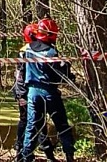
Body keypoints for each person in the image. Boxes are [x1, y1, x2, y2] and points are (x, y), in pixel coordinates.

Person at [22, 18, 76, 162]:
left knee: (31, 126)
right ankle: (69, 155)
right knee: (62, 124)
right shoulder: (51, 52)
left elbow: (22, 71)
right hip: (49, 92)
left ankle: (26, 157)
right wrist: (66, 68)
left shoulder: (27, 49)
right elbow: (57, 76)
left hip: (32, 93)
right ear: (51, 34)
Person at [13, 23, 56, 162]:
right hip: (25, 92)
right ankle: (21, 153)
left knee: (38, 121)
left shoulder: (37, 49)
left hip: (33, 92)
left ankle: (45, 152)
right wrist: (21, 95)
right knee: (27, 121)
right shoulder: (25, 51)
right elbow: (20, 76)